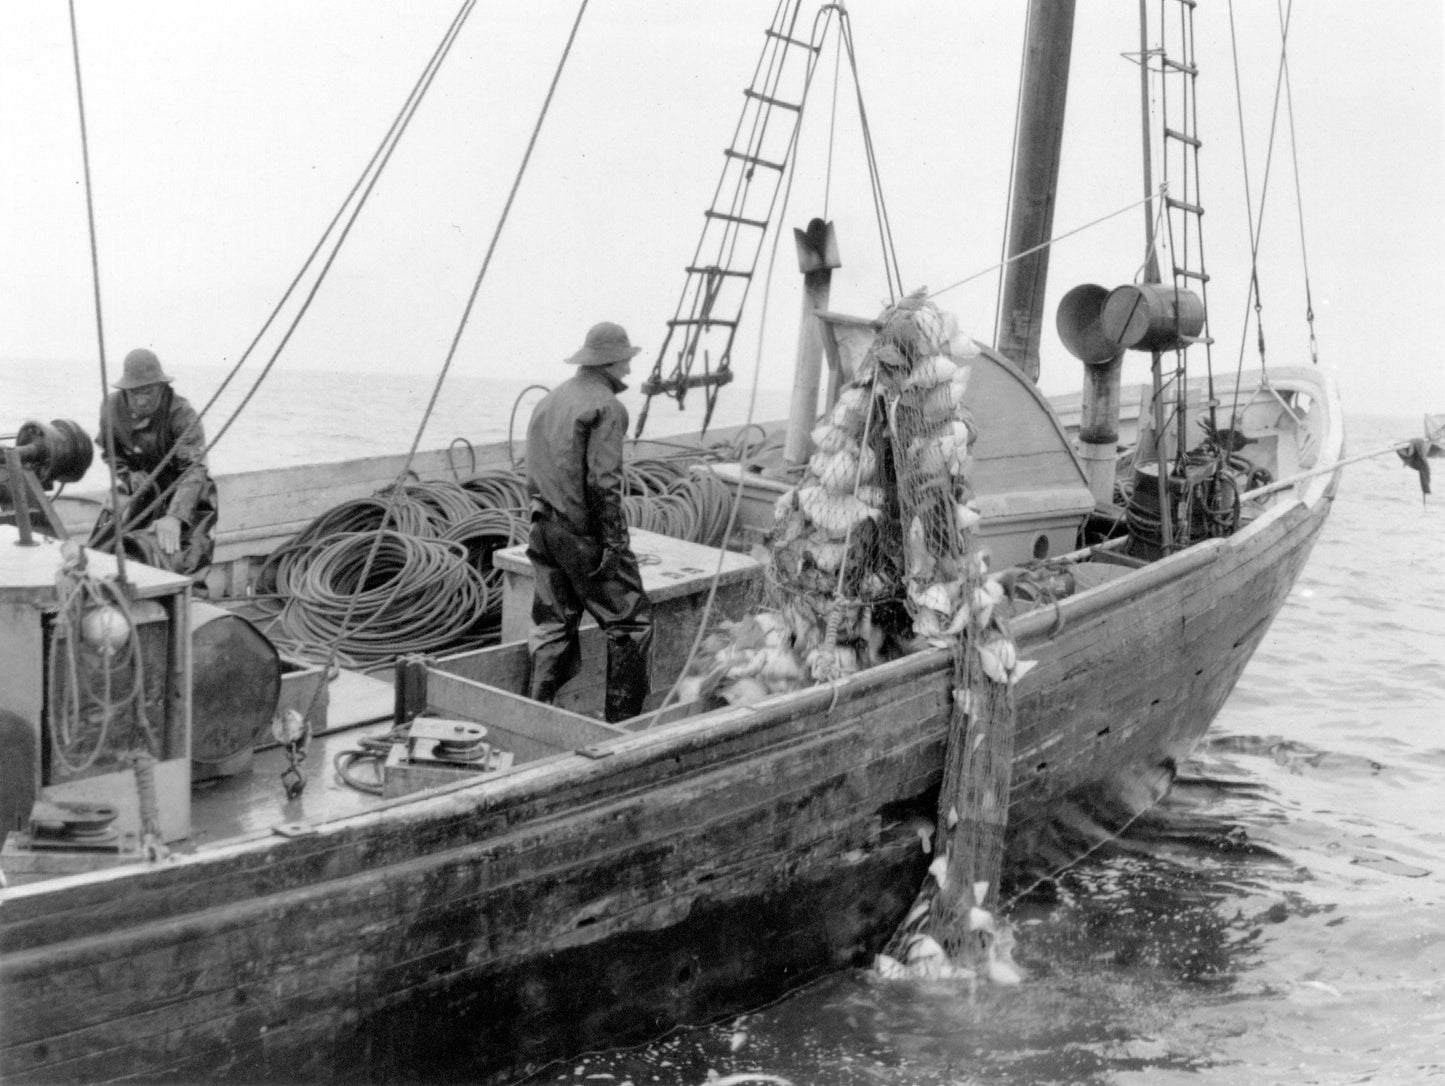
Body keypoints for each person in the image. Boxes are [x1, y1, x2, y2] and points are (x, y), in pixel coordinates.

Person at [524, 321, 653, 722]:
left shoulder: (550, 400)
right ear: (609, 362)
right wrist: (613, 545)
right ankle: (622, 729)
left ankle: (532, 716)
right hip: (582, 535)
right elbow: (603, 484)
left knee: (553, 625)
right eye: (625, 360)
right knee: (630, 622)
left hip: (542, 527)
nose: (629, 368)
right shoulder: (607, 406)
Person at [90, 348, 218, 580]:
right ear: (125, 390)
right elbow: (111, 452)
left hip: (186, 492)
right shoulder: (111, 407)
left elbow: (194, 470)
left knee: (186, 565)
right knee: (101, 548)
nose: (141, 400)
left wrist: (175, 517)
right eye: (134, 393)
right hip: (141, 487)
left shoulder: (182, 414)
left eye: (148, 392)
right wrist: (129, 475)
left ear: (161, 387)